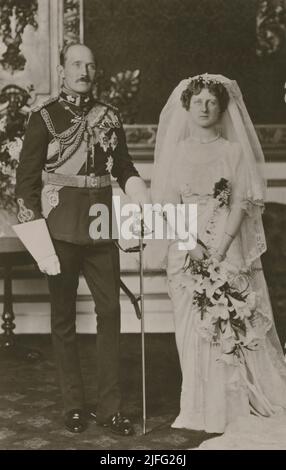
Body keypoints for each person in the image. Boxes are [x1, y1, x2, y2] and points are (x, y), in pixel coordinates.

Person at [15, 43, 149, 434]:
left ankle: (111, 409)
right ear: (61, 70)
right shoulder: (44, 117)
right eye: (76, 64)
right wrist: (39, 242)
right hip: (58, 230)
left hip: (101, 226)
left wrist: (141, 196)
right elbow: (26, 184)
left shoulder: (109, 115)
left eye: (90, 65)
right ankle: (73, 405)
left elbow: (122, 165)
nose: (84, 71)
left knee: (110, 314)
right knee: (64, 318)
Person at [150, 73, 286, 440]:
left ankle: (231, 407)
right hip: (185, 245)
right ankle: (196, 406)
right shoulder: (175, 153)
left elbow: (243, 200)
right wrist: (190, 245)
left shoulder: (233, 151)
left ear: (222, 107)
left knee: (231, 322)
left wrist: (221, 247)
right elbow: (165, 205)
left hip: (226, 241)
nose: (205, 108)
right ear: (187, 107)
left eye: (212, 102)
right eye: (198, 102)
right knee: (192, 328)